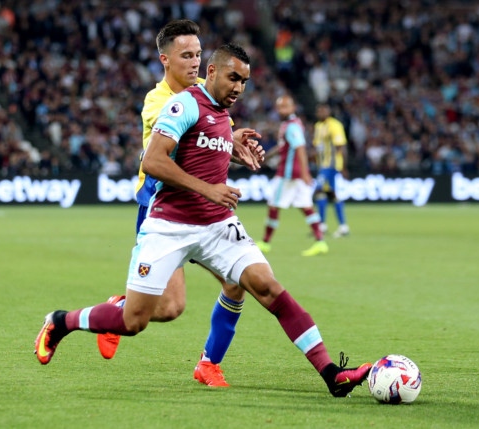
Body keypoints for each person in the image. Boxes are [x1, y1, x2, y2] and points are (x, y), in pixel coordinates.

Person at [35, 43, 372, 398]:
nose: (239, 88)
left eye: (244, 81)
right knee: (135, 321)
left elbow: (205, 148)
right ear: (210, 72)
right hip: (169, 226)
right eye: (233, 78)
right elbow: (153, 161)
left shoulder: (223, 116)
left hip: (216, 226)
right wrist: (209, 189)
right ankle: (61, 321)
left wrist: (234, 147)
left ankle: (331, 373)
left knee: (266, 286)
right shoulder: (183, 104)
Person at [95, 19, 263, 388]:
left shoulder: (208, 94)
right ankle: (118, 309)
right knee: (170, 308)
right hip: (165, 212)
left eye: (199, 55)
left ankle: (208, 364)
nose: (195, 62)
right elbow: (178, 143)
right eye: (186, 55)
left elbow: (212, 140)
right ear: (165, 60)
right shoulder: (159, 103)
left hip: (206, 213)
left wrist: (236, 145)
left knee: (238, 282)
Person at [256, 95, 328, 257]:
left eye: (285, 107)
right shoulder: (289, 124)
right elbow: (283, 147)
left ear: (293, 108)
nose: (282, 110)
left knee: (274, 205)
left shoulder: (292, 126)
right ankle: (320, 241)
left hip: (288, 174)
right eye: (280, 107)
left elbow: (301, 148)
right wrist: (266, 156)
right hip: (296, 174)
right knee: (306, 206)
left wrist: (305, 173)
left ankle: (266, 242)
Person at [312, 104, 350, 238]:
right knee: (329, 194)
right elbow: (318, 148)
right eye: (319, 110)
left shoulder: (335, 125)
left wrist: (343, 167)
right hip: (322, 166)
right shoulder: (318, 126)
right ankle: (340, 226)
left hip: (331, 166)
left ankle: (323, 225)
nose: (320, 112)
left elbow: (341, 147)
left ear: (328, 111)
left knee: (318, 190)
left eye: (323, 110)